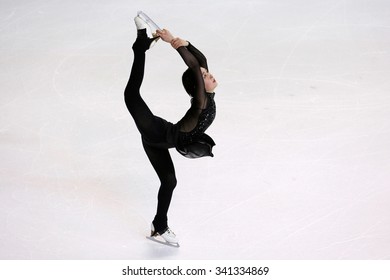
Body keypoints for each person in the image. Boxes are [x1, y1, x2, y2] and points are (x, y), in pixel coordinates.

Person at [124, 13, 218, 246]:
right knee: (132, 95)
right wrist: (173, 42)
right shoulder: (201, 101)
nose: (209, 74)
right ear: (198, 85)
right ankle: (140, 44)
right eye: (205, 76)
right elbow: (195, 65)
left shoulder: (206, 93)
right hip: (157, 133)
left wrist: (185, 43)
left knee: (169, 181)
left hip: (160, 141)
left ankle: (159, 227)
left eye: (207, 73)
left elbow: (201, 60)